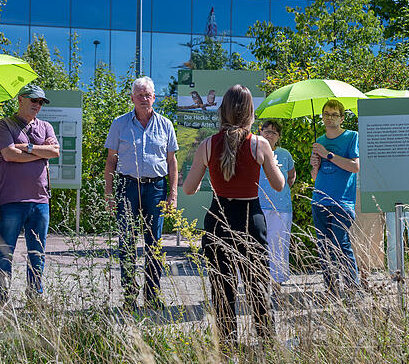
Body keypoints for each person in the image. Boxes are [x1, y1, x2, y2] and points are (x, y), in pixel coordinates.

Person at [184, 85, 285, 345]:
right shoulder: (260, 144)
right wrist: (272, 163)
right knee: (257, 287)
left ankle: (228, 346)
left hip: (218, 218)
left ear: (223, 110)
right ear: (250, 111)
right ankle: (266, 343)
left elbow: (189, 189)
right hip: (251, 218)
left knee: (222, 288)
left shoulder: (207, 144)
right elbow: (279, 185)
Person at [104, 76, 179, 310]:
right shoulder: (119, 124)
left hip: (156, 188)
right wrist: (108, 193)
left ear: (154, 97)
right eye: (140, 95)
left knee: (153, 243)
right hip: (127, 187)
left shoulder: (165, 124)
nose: (144, 99)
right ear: (132, 99)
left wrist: (173, 193)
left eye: (148, 95)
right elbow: (110, 161)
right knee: (126, 241)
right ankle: (128, 296)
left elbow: (172, 161)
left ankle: (152, 295)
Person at [0, 84, 59, 304]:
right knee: (5, 252)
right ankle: (0, 300)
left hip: (40, 201)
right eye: (34, 100)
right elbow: (10, 155)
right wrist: (41, 153)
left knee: (37, 253)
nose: (37, 105)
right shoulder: (4, 124)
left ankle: (35, 299)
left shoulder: (46, 126)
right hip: (11, 200)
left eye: (41, 102)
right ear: (20, 99)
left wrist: (27, 148)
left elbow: (55, 152)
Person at [310, 99, 361, 297]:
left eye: (334, 114)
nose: (329, 117)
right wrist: (316, 165)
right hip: (319, 200)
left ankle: (352, 290)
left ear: (341, 118)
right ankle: (330, 290)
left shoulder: (351, 137)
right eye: (326, 113)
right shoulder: (319, 141)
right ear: (322, 117)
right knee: (323, 247)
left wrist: (328, 155)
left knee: (341, 244)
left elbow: (355, 167)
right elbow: (316, 178)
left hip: (342, 202)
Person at [257, 120, 296, 297]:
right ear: (260, 132)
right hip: (259, 205)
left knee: (279, 245)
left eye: (273, 132)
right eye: (266, 131)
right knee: (259, 245)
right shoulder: (254, 151)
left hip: (281, 207)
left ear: (278, 137)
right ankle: (258, 283)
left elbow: (291, 176)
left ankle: (277, 283)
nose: (269, 134)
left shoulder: (285, 154)